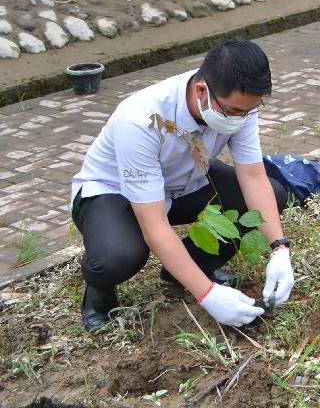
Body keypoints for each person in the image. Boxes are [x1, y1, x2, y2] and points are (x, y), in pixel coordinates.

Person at [69, 40, 293, 331]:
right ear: (202, 91)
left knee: (271, 196)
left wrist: (280, 249)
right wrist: (208, 295)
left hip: (185, 180)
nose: (241, 118)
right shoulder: (141, 118)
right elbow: (154, 224)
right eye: (234, 111)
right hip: (116, 193)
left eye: (248, 111)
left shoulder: (240, 104)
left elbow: (252, 176)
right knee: (118, 256)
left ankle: (192, 269)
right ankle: (99, 294)